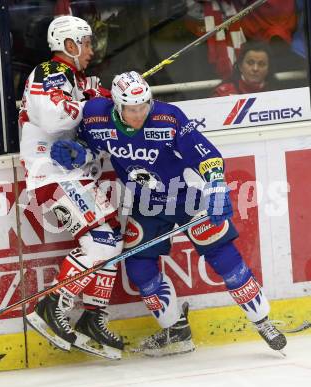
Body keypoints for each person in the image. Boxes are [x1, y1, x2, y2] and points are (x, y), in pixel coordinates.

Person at [50, 71, 287, 356]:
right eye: (132, 109)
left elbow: (206, 155)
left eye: (143, 106)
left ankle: (263, 321)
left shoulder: (168, 117)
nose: (139, 114)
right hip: (146, 205)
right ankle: (176, 332)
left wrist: (216, 189)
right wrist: (78, 152)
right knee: (139, 268)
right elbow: (92, 149)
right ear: (116, 105)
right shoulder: (95, 116)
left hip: (186, 198)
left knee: (223, 256)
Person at [19, 15, 124, 360]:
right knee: (102, 241)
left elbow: (101, 113)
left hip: (74, 175)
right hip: (52, 174)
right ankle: (51, 305)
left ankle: (92, 316)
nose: (92, 49)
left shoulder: (75, 79)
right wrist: (91, 103)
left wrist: (104, 99)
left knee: (111, 239)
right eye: (87, 42)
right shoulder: (51, 73)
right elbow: (54, 118)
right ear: (69, 44)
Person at [212, 41, 277, 97]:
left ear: (269, 68)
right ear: (240, 66)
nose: (255, 68)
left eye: (261, 64)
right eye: (250, 63)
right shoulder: (222, 95)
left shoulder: (279, 94)